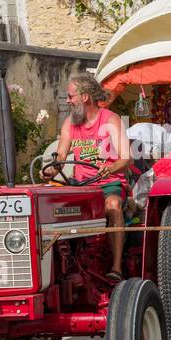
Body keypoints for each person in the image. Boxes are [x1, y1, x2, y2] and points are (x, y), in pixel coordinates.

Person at [52, 74, 131, 281]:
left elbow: (126, 158)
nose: (68, 101)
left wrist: (111, 168)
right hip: (81, 186)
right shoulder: (70, 123)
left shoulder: (110, 120)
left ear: (85, 97)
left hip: (108, 183)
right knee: (53, 208)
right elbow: (61, 155)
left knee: (113, 205)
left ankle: (116, 267)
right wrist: (53, 168)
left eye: (71, 96)